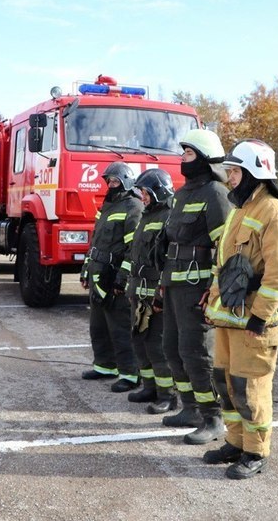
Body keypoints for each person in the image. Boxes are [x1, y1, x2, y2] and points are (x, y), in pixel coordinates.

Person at [203, 139, 278, 479]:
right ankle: (235, 442)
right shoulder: (240, 210)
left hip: (254, 322)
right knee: (225, 381)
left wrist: (260, 315)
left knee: (250, 388)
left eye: (234, 172)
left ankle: (256, 451)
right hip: (229, 319)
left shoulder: (274, 213)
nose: (229, 178)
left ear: (254, 173)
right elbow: (225, 265)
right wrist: (211, 299)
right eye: (229, 172)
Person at [160, 129, 232, 445]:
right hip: (174, 285)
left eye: (188, 154)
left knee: (196, 353)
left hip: (196, 287)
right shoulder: (181, 194)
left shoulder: (216, 193)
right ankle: (189, 409)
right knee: (172, 348)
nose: (182, 160)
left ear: (203, 158)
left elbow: (226, 246)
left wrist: (215, 288)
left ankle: (213, 417)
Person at [116, 168, 177, 413]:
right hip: (138, 293)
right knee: (139, 340)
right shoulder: (147, 216)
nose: (142, 197)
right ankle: (149, 387)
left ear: (158, 190)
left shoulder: (169, 217)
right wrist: (130, 286)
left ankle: (167, 395)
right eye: (141, 192)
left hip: (155, 295)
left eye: (145, 192)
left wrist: (160, 293)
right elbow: (135, 255)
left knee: (157, 345)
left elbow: (169, 260)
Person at [80, 162, 143, 392]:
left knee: (120, 327)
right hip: (99, 274)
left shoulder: (133, 207)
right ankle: (105, 366)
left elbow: (133, 248)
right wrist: (86, 269)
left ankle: (129, 373)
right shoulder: (107, 206)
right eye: (109, 181)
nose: (111, 185)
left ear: (126, 181)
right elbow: (95, 242)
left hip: (115, 277)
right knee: (98, 325)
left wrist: (122, 278)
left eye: (115, 181)